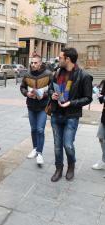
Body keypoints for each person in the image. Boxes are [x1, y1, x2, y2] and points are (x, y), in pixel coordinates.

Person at [48, 47, 93, 182]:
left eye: (60, 57)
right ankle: (58, 168)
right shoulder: (56, 73)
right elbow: (50, 89)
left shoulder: (83, 76)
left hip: (71, 115)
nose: (58, 59)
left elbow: (88, 98)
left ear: (68, 59)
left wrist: (71, 103)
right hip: (56, 114)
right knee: (57, 144)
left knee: (67, 144)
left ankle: (71, 166)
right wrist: (53, 94)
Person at [20, 54, 52, 165]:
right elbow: (22, 87)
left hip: (43, 106)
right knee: (33, 129)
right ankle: (34, 148)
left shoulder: (48, 74)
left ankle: (39, 153)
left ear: (40, 63)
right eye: (32, 63)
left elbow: (52, 89)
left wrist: (45, 94)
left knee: (40, 129)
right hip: (31, 106)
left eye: (35, 62)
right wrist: (26, 93)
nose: (33, 65)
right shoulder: (27, 74)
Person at [92, 80, 105, 174]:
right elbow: (101, 100)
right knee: (101, 138)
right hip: (104, 117)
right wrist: (99, 95)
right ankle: (104, 160)